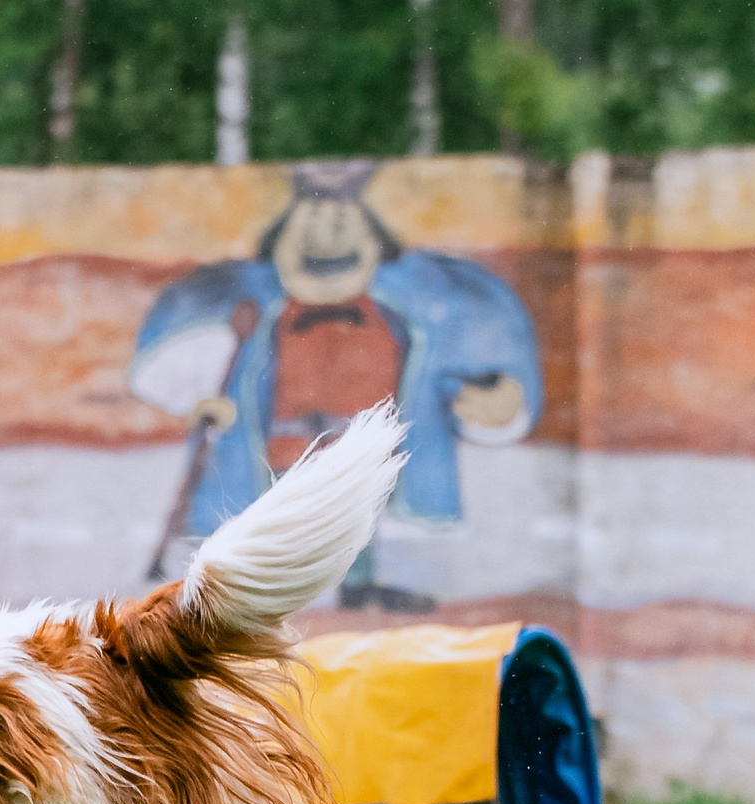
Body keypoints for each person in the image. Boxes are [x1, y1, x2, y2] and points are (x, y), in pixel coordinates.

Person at [128, 160, 541, 607]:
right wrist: (212, 402)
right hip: (287, 449)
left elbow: (454, 366)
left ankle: (360, 585)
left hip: (366, 450)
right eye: (311, 223)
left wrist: (493, 397)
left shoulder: (406, 321)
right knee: (285, 519)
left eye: (344, 222)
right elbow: (208, 367)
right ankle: (272, 590)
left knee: (353, 516)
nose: (328, 238)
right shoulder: (258, 317)